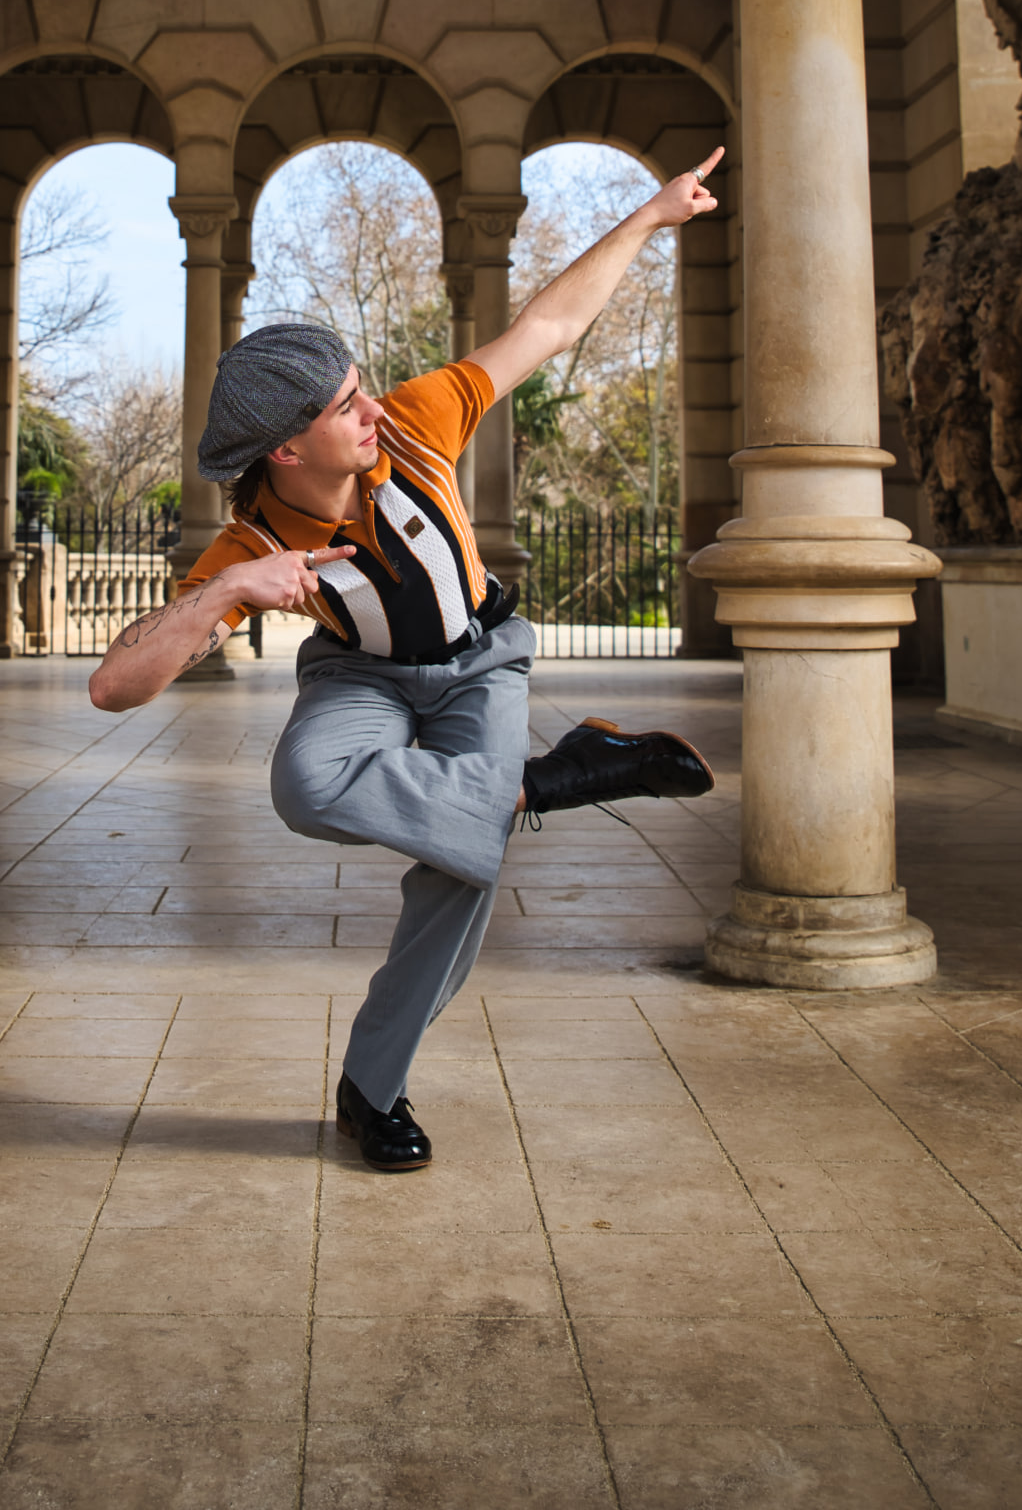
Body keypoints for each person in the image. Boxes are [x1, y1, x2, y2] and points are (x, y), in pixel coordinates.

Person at [89, 147, 724, 1172]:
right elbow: (113, 687)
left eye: (360, 389)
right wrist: (223, 591)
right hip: (362, 680)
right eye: (346, 405)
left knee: (462, 866)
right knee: (306, 781)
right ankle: (553, 778)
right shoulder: (251, 541)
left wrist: (649, 216)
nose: (371, 407)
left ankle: (370, 1090)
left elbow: (548, 327)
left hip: (480, 662)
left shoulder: (419, 425)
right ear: (286, 451)